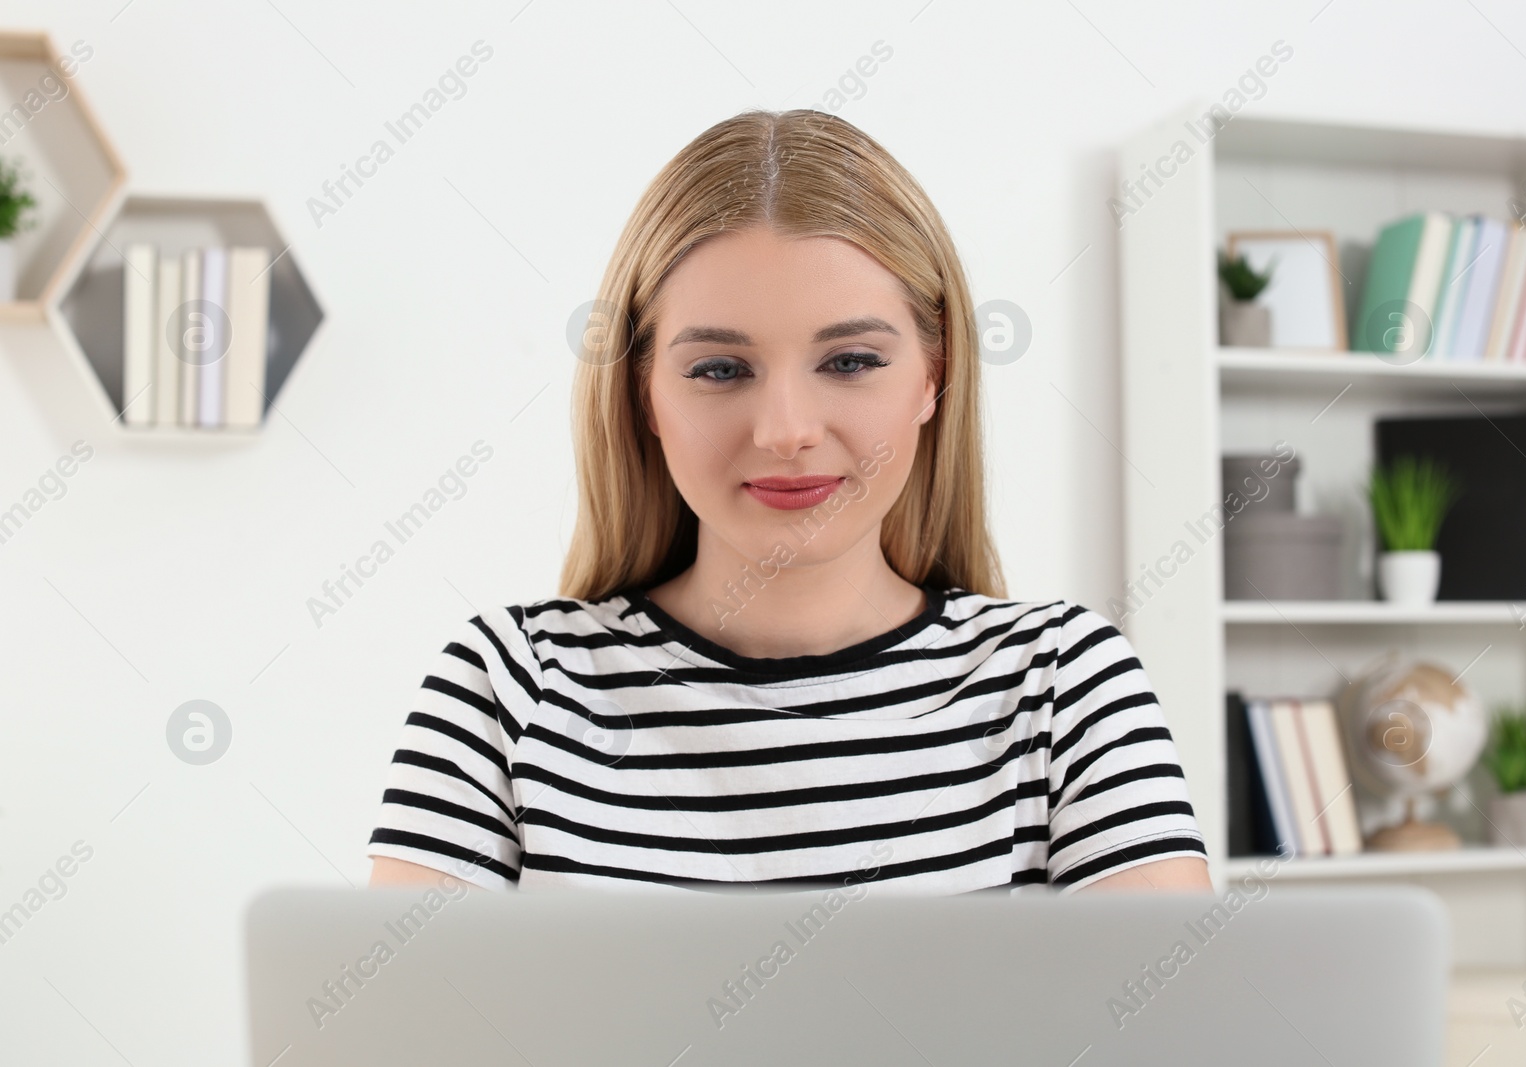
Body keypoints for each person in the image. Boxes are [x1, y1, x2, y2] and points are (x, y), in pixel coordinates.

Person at [366, 108, 1210, 894]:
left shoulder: (1060, 688)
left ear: (934, 374)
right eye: (720, 369)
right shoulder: (510, 691)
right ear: (641, 398)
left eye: (849, 361)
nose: (785, 430)